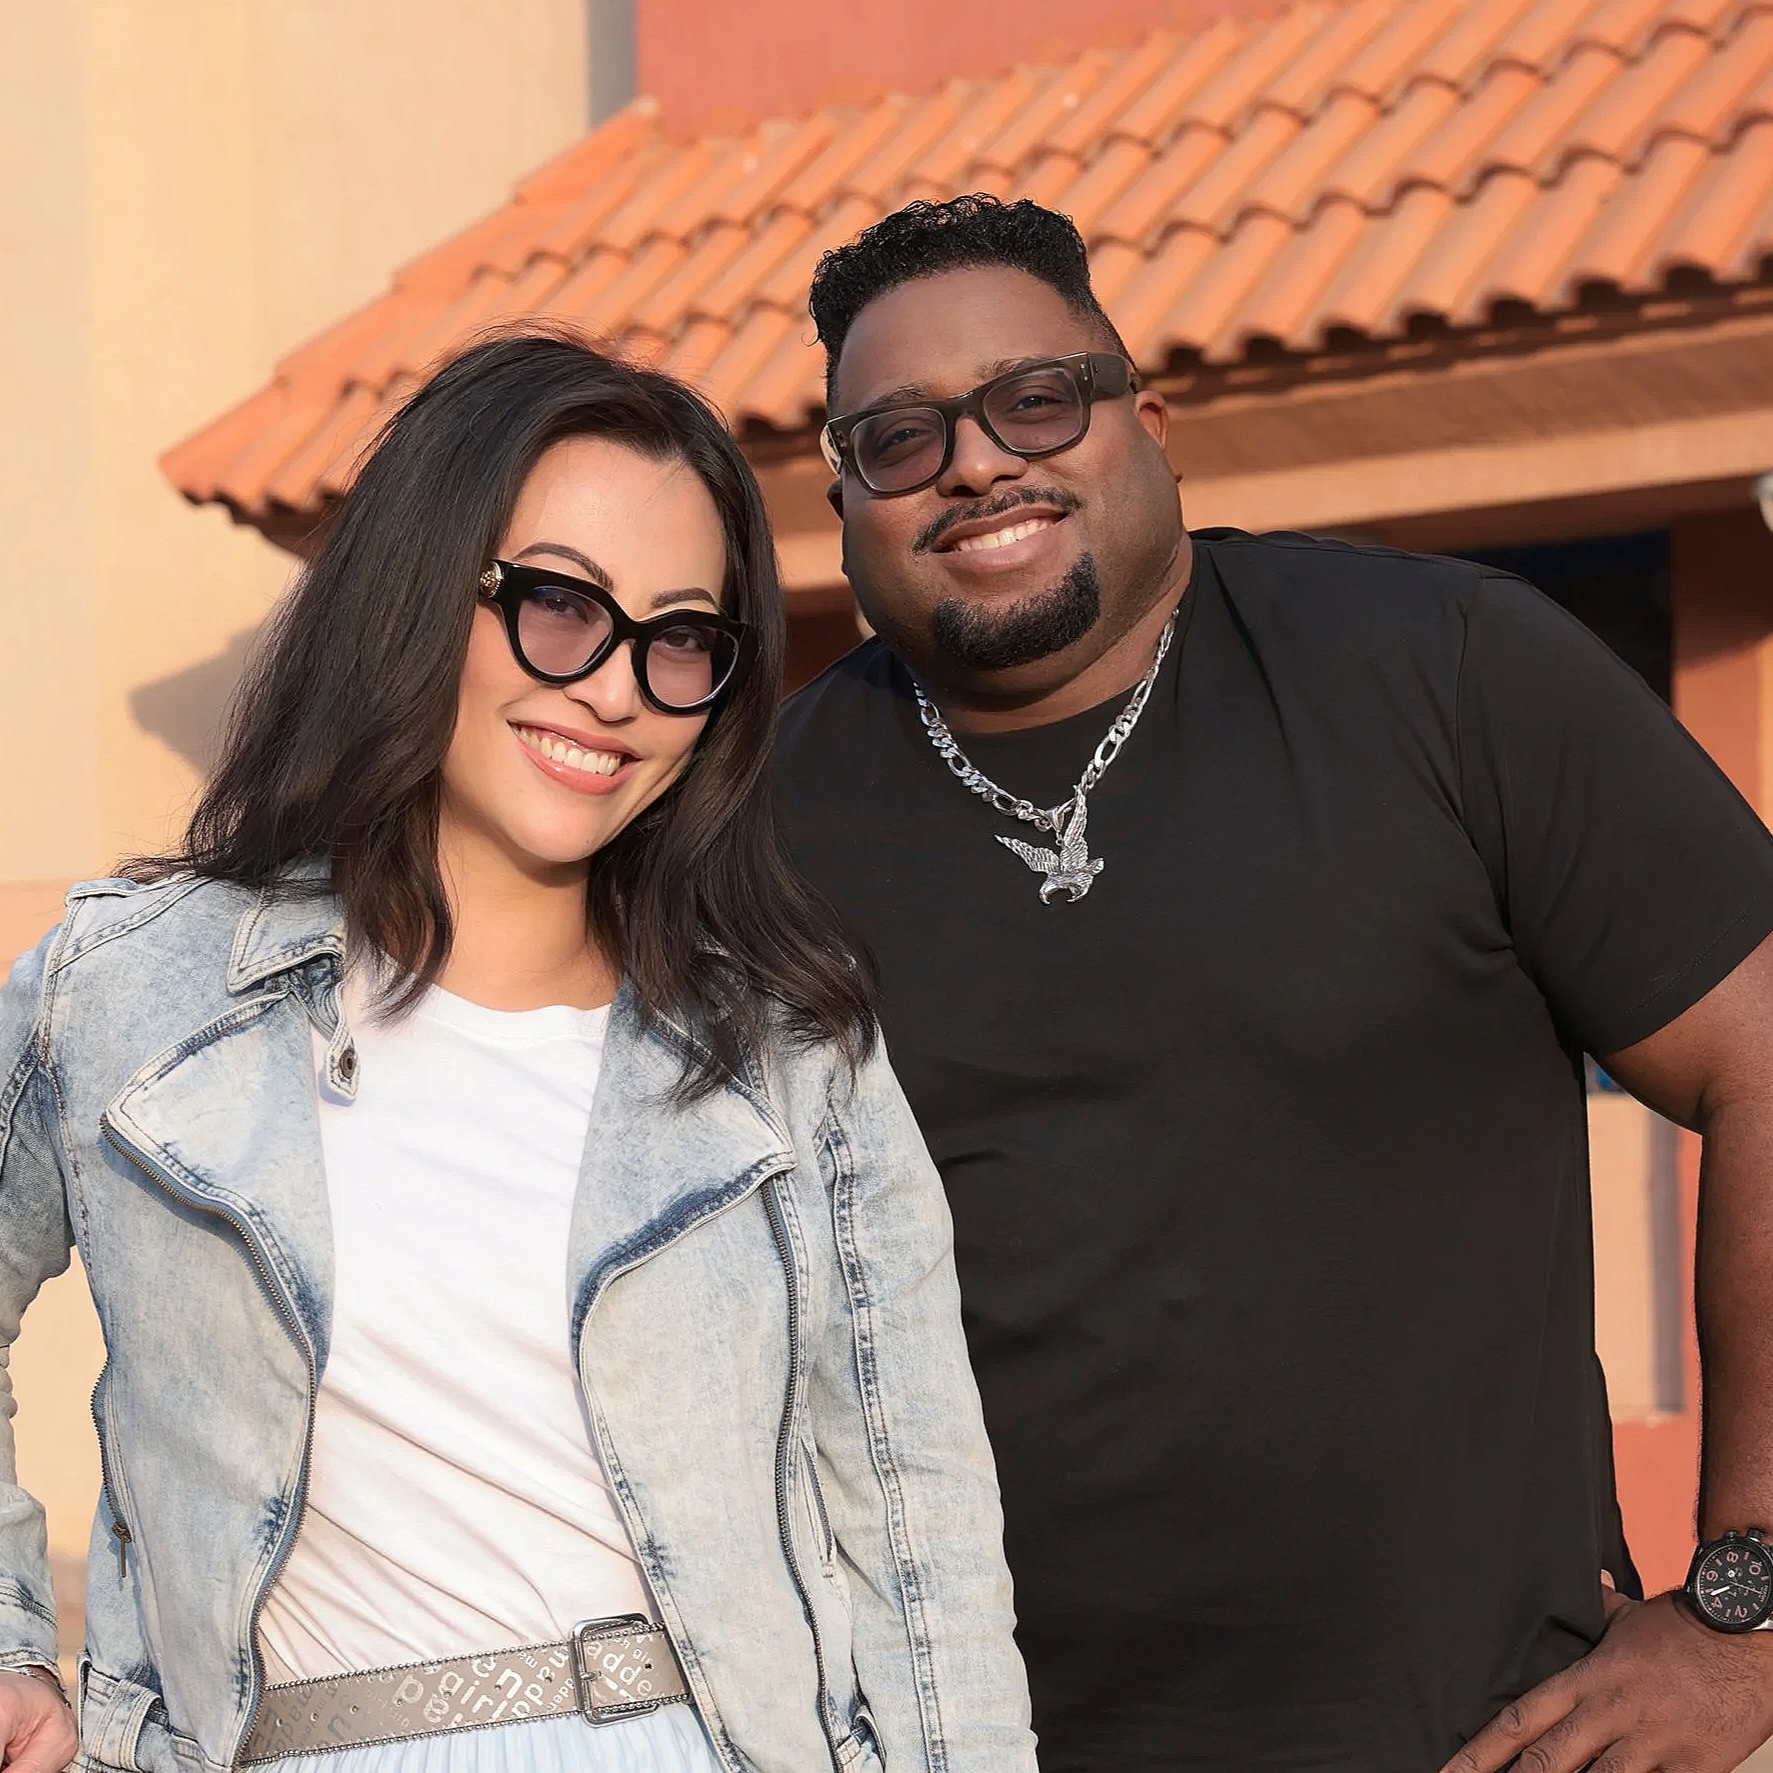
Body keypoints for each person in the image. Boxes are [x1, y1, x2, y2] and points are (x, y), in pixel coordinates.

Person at [774, 193, 1773, 1773]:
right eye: (896, 441)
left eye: (1035, 399)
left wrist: (1751, 1612)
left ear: (1151, 427)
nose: (973, 461)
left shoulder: (1447, 673)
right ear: (843, 505)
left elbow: (1762, 1056)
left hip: (1484, 1738)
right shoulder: (760, 829)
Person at [0, 330, 1038, 1773]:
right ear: (419, 593)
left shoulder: (787, 1048)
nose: (616, 689)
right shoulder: (136, 988)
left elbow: (918, 1516)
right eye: (558, 604)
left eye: (681, 638)